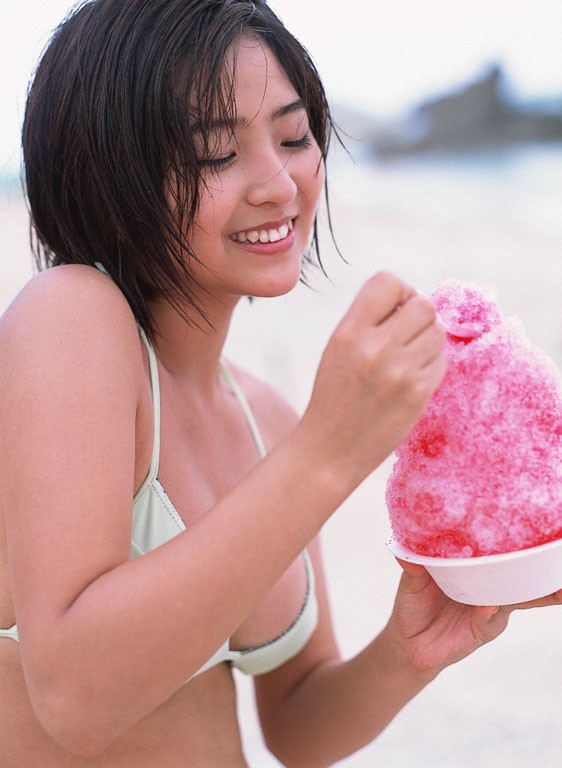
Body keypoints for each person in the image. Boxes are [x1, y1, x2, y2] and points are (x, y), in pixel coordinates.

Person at [0, 1, 560, 766]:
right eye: (213, 154)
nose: (278, 183)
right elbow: (73, 697)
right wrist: (329, 451)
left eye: (294, 138)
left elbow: (298, 725)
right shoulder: (69, 316)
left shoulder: (267, 418)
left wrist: (412, 650)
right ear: (107, 178)